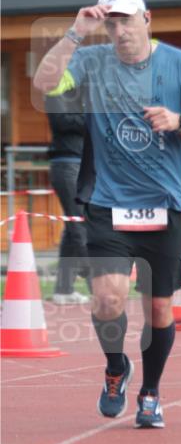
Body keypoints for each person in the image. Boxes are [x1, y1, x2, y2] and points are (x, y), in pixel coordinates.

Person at [33, 0, 181, 428]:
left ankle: (151, 392)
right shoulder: (92, 60)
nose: (119, 31)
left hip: (164, 202)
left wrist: (178, 121)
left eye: (126, 21)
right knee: (107, 299)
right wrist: (76, 32)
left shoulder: (179, 64)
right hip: (107, 201)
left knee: (158, 308)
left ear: (146, 19)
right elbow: (43, 83)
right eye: (111, 23)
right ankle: (116, 368)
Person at [45, 90, 90, 304]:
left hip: (83, 164)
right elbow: (61, 122)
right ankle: (98, 283)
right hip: (67, 164)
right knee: (80, 225)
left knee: (73, 229)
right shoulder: (55, 92)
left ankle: (63, 290)